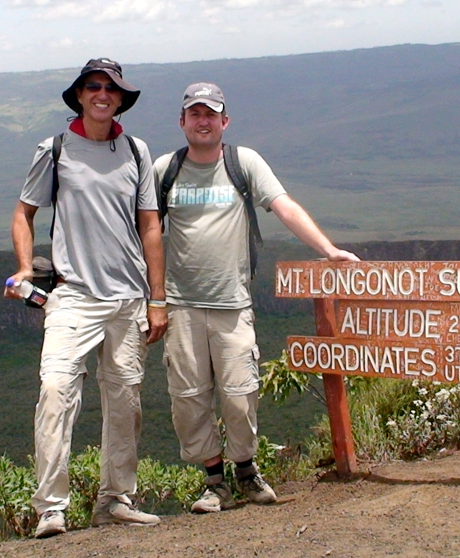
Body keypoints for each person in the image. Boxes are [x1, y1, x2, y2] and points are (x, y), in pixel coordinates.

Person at [153, 82, 361, 513]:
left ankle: (246, 471)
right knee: (189, 396)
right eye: (195, 113)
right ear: (182, 121)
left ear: (224, 121)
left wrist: (327, 250)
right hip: (180, 305)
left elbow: (283, 205)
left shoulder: (242, 163)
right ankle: (215, 482)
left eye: (211, 113)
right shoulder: (164, 170)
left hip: (233, 303)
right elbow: (144, 230)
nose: (203, 120)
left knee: (239, 391)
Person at [6, 58, 167, 538]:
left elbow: (150, 226)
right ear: (79, 95)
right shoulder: (54, 150)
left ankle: (114, 500)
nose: (102, 94)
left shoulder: (135, 151)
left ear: (121, 99)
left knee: (125, 401)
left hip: (128, 297)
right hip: (73, 295)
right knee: (56, 391)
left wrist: (157, 298)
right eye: (93, 86)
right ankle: (51, 508)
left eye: (111, 89)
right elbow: (23, 213)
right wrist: (23, 266)